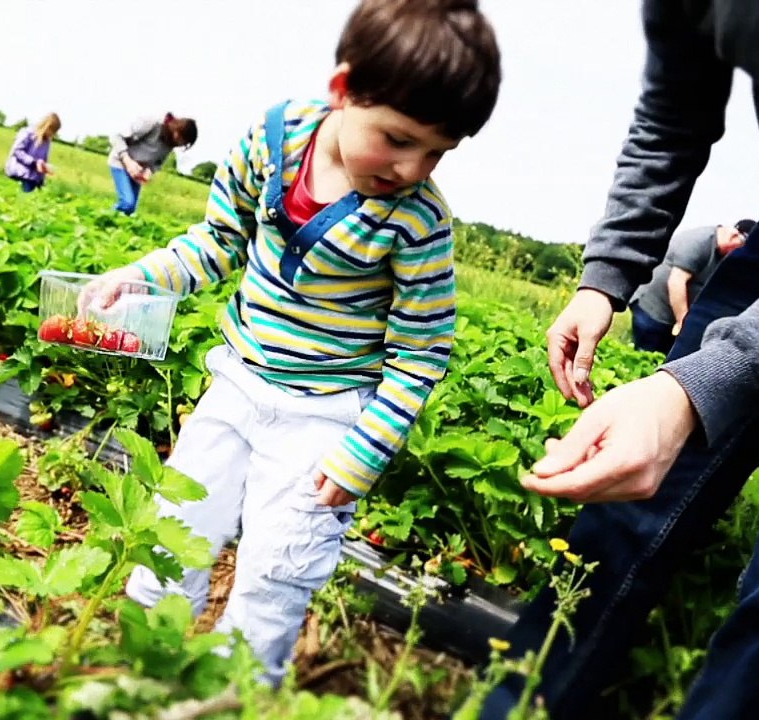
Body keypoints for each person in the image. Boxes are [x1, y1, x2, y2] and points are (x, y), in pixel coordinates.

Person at [479, 2, 759, 719]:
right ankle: (518, 707)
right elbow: (669, 121)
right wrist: (606, 275)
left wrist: (697, 388)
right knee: (623, 512)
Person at [81, 0, 500, 685]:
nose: (413, 168)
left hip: (327, 416)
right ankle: (139, 676)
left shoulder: (418, 221)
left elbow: (421, 352)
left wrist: (361, 453)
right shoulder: (270, 140)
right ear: (343, 90)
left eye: (437, 152)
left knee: (277, 576)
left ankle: (232, 694)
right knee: (169, 536)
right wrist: (142, 277)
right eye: (398, 139)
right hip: (237, 383)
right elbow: (217, 243)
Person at [627, 219, 754, 354]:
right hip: (653, 310)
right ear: (734, 236)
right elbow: (676, 282)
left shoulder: (726, 257)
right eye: (742, 249)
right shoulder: (699, 241)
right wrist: (683, 323)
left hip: (674, 319)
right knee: (645, 355)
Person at [107, 112, 197, 215]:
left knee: (130, 210)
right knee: (127, 203)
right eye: (182, 141)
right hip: (121, 162)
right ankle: (105, 216)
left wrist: (149, 171)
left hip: (137, 171)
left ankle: (113, 222)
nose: (180, 145)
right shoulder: (152, 122)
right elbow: (117, 136)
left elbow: (158, 163)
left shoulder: (171, 142)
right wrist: (127, 161)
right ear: (178, 132)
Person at [5, 113, 60, 192]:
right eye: (53, 131)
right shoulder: (27, 133)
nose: (53, 134)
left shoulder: (47, 141)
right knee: (24, 199)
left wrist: (44, 171)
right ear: (47, 127)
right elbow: (17, 151)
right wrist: (34, 163)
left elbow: (43, 160)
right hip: (20, 173)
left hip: (33, 178)